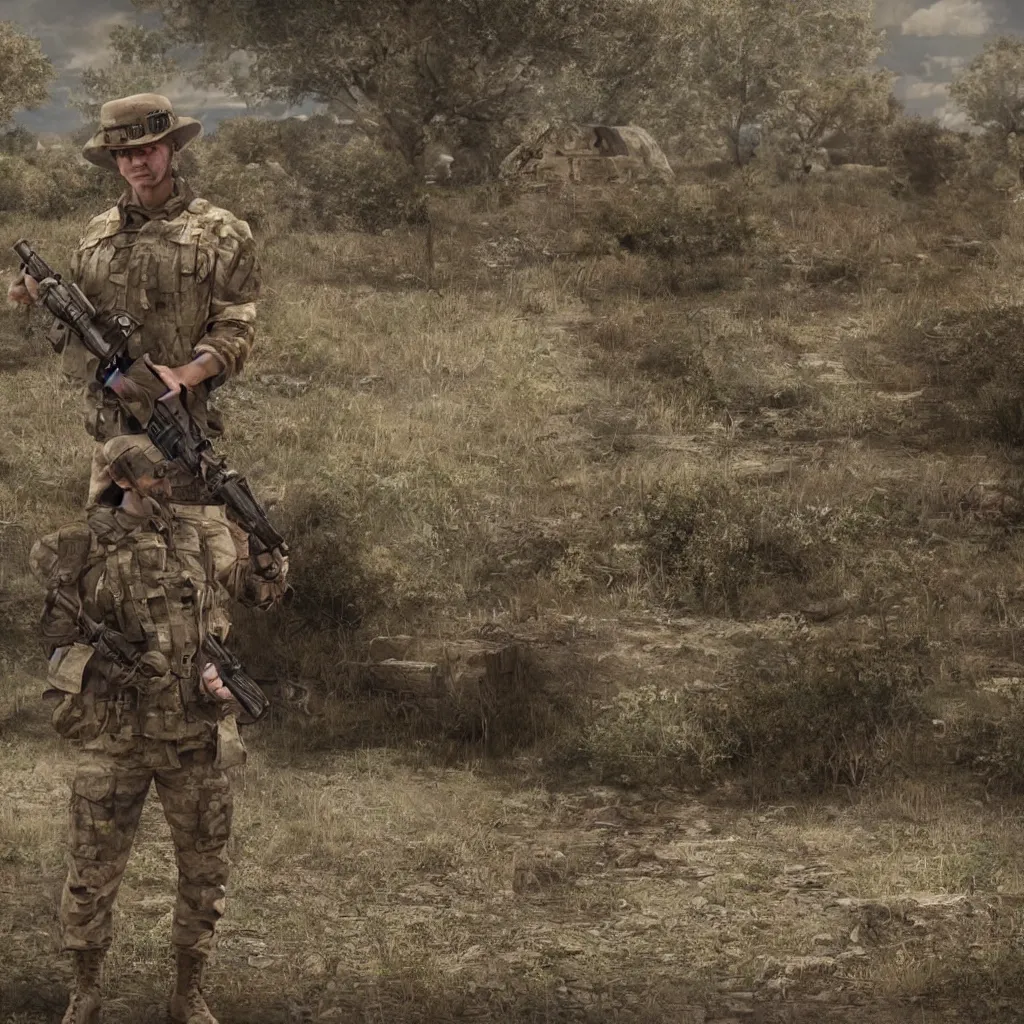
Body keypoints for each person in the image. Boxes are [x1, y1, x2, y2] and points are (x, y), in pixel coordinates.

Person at [29, 434, 288, 1024]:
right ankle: (86, 989)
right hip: (114, 735)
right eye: (152, 477)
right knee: (92, 869)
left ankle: (188, 992)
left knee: (204, 869)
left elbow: (251, 592)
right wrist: (97, 662)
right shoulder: (81, 543)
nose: (166, 485)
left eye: (168, 476)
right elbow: (53, 626)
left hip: (194, 733)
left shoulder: (197, 536)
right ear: (123, 480)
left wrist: (268, 557)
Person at [7, 92, 260, 508]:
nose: (138, 162)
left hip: (173, 427)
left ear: (172, 148)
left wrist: (185, 374)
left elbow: (236, 325)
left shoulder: (221, 231)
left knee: (182, 559)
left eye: (149, 149)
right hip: (109, 431)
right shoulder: (96, 233)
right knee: (110, 553)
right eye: (125, 153)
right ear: (114, 160)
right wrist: (37, 293)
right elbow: (81, 317)